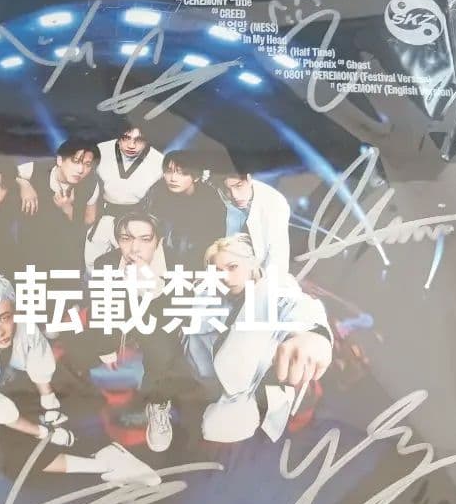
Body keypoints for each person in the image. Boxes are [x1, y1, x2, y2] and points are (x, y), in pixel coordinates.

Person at [0, 274, 160, 485]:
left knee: (70, 397)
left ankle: (105, 450)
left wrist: (50, 406)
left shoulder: (22, 326)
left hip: (10, 389)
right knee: (9, 459)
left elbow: (39, 359)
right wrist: (44, 432)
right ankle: (105, 466)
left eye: (4, 318)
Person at [183, 234, 333, 443]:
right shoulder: (208, 299)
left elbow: (295, 305)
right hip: (208, 398)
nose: (225, 277)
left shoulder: (271, 288)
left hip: (263, 406)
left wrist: (315, 335)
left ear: (250, 264)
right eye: (217, 271)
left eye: (232, 267)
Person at [72, 212, 192, 453]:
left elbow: (179, 316)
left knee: (162, 353)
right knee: (83, 348)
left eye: (145, 239)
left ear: (158, 241)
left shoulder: (178, 264)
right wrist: (106, 346)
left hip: (158, 318)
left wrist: (150, 284)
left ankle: (157, 405)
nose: (134, 248)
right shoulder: (106, 263)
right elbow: (101, 307)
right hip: (122, 312)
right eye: (126, 238)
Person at [14, 138, 101, 281]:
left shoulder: (91, 184)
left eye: (87, 165)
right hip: (32, 246)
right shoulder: (36, 168)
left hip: (67, 251)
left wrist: (68, 209)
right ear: (60, 160)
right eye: (75, 161)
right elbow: (6, 173)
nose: (80, 170)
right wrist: (24, 184)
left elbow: (89, 219)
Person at [83, 125, 164, 271]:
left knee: (131, 267)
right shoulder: (101, 150)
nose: (131, 145)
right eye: (126, 138)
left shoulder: (158, 161)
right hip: (104, 214)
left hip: (135, 220)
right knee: (91, 262)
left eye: (139, 140)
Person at [142, 149, 224, 271]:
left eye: (182, 173)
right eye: (169, 171)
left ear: (196, 177)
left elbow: (215, 241)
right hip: (161, 258)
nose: (173, 178)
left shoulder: (211, 200)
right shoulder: (156, 192)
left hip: (198, 260)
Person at [211, 154, 292, 276]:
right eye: (227, 190)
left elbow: (278, 256)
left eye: (238, 186)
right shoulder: (221, 193)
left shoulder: (275, 204)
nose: (235, 196)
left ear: (249, 179)